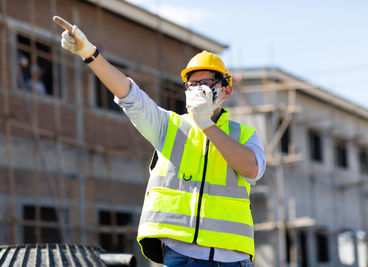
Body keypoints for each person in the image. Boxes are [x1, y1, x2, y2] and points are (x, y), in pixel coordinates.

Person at [53, 16, 266, 267]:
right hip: (179, 256)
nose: (198, 90)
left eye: (206, 84)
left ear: (226, 91)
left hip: (231, 259)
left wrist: (206, 123)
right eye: (192, 84)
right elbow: (129, 94)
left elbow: (252, 169)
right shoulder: (168, 126)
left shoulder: (244, 135)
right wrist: (89, 53)